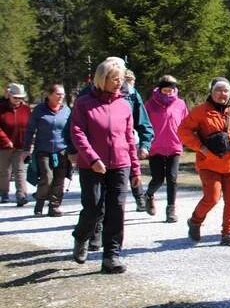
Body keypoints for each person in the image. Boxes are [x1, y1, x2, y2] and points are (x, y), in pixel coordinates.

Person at [69, 57, 140, 272]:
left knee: (116, 209)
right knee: (93, 207)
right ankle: (81, 237)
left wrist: (135, 168)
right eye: (114, 79)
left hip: (120, 164)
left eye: (121, 79)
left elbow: (130, 138)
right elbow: (77, 132)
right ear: (102, 79)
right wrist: (92, 158)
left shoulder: (124, 105)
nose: (119, 82)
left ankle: (111, 256)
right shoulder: (84, 103)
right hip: (92, 165)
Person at [179, 77, 230, 246]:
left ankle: (227, 233)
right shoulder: (200, 111)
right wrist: (200, 147)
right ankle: (195, 221)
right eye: (218, 90)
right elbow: (183, 131)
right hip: (208, 163)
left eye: (225, 90)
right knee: (212, 198)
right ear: (211, 91)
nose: (222, 94)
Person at [23, 84, 72, 216]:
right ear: (49, 95)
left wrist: (74, 150)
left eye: (62, 94)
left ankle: (54, 207)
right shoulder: (39, 110)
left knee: (60, 179)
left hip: (62, 150)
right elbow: (30, 130)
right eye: (58, 94)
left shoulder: (67, 110)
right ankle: (39, 201)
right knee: (47, 178)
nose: (61, 97)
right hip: (43, 150)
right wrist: (26, 149)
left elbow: (72, 131)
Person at [145, 75, 188, 222]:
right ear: (160, 89)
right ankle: (149, 195)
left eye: (171, 90)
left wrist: (187, 139)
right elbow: (144, 126)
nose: (168, 93)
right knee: (158, 179)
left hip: (174, 146)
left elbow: (186, 123)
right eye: (165, 90)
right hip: (155, 146)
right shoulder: (150, 104)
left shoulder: (181, 104)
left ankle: (171, 209)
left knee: (172, 178)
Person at [120, 70, 155, 212]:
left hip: (130, 140)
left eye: (131, 80)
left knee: (134, 170)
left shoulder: (133, 94)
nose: (130, 83)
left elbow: (142, 121)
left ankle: (140, 198)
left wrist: (145, 144)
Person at [0, 83, 33, 206]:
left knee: (20, 171)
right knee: (4, 171)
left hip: (21, 145)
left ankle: (21, 195)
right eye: (15, 97)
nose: (18, 100)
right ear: (10, 96)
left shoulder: (26, 109)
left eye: (20, 98)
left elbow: (30, 126)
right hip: (3, 146)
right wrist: (5, 140)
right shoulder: (1, 108)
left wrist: (28, 144)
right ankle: (3, 193)